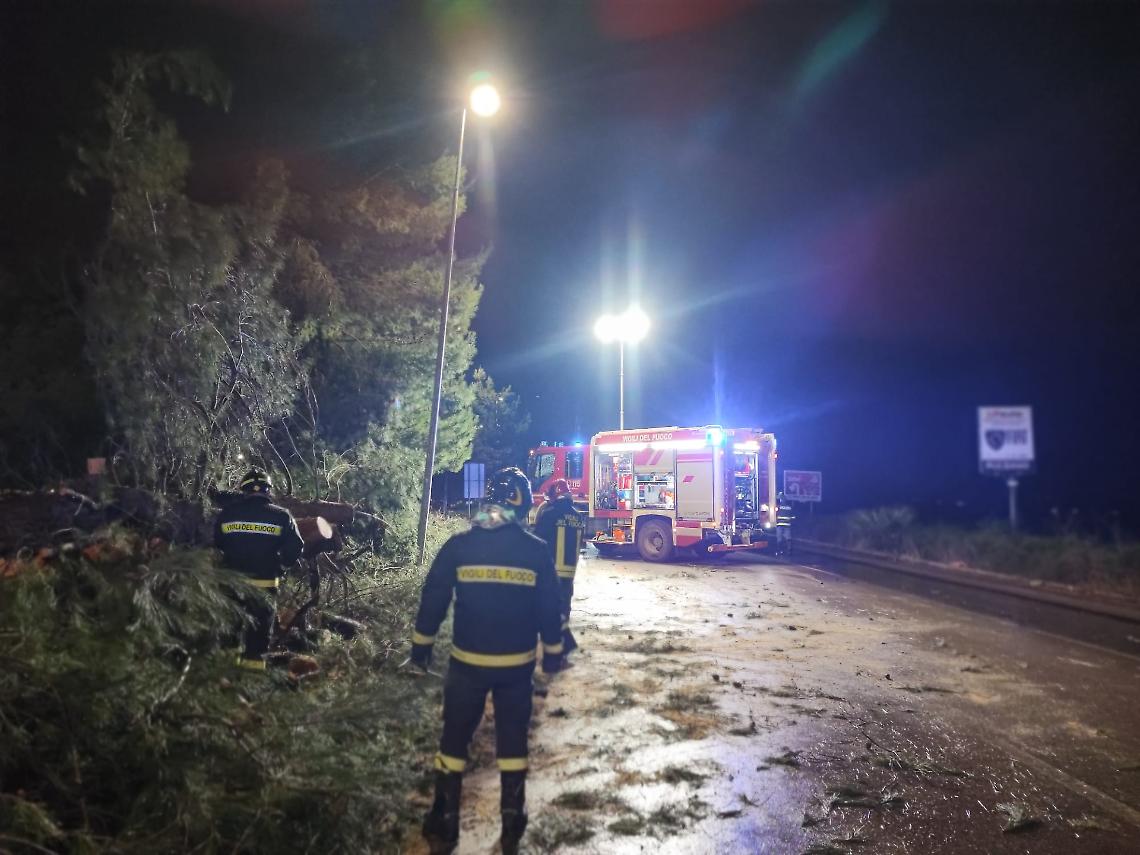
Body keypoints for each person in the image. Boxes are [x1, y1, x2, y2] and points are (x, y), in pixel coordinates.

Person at [409, 467, 563, 855]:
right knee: (512, 741)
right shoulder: (536, 551)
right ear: (524, 505)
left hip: (466, 665)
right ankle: (513, 818)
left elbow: (433, 599)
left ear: (488, 503)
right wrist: (554, 655)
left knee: (454, 741)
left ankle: (444, 821)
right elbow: (550, 608)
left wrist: (421, 650)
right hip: (517, 667)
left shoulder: (459, 546)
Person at [214, 468, 304, 671]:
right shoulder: (282, 516)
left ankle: (222, 676)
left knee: (229, 628)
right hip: (264, 584)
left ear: (244, 490)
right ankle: (251, 678)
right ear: (268, 490)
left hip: (232, 583)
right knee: (259, 632)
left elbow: (218, 542)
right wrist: (281, 565)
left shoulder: (228, 514)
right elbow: (295, 547)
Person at [533, 478, 585, 660]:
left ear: (555, 495)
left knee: (548, 612)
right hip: (569, 575)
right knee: (563, 611)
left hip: (551, 573)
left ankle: (556, 654)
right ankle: (563, 650)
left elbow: (537, 541)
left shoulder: (549, 514)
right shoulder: (579, 517)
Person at [775, 491, 795, 555]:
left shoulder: (778, 507)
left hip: (779, 525)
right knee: (788, 538)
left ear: (781, 500)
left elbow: (774, 515)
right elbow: (793, 517)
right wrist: (790, 519)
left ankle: (780, 551)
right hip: (787, 525)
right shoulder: (789, 507)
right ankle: (789, 551)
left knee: (779, 539)